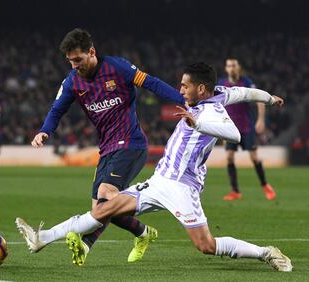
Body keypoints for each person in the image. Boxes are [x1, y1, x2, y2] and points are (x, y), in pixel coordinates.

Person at [16, 62, 292, 272]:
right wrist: (270, 98)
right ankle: (42, 238)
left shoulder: (213, 112)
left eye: (185, 86)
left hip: (183, 187)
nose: (180, 90)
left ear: (202, 89)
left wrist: (198, 124)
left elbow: (235, 135)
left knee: (206, 246)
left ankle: (265, 252)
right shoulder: (219, 92)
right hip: (160, 180)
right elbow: (245, 92)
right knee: (102, 208)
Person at [31, 28, 185, 265]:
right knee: (99, 211)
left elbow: (151, 83)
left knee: (105, 196)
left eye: (78, 60)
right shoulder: (73, 81)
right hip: (106, 150)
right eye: (70, 61)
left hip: (131, 144)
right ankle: (142, 233)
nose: (74, 66)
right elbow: (57, 109)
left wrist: (184, 101)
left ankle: (87, 242)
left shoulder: (118, 68)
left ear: (91, 52)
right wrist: (44, 131)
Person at [218, 58, 276, 201]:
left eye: (234, 66)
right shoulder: (221, 84)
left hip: (246, 126)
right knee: (229, 157)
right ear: (226, 69)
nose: (231, 68)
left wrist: (261, 119)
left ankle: (265, 185)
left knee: (254, 157)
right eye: (229, 66)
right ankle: (235, 191)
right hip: (229, 128)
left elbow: (259, 99)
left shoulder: (246, 82)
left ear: (238, 68)